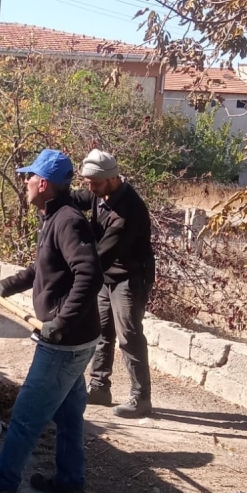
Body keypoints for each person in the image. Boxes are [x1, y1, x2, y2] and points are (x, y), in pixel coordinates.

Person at [0, 148, 102, 493]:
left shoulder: (67, 221)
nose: (24, 183)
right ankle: (70, 481)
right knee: (69, 415)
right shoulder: (53, 217)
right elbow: (43, 270)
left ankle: (2, 483)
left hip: (65, 342)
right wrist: (5, 286)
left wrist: (60, 323)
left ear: (44, 183)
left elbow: (89, 274)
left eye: (28, 177)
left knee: (26, 416)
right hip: (76, 338)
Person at [73, 149, 155, 418]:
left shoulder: (127, 211)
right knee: (101, 332)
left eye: (94, 182)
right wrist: (52, 195)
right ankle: (99, 388)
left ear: (110, 179)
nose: (90, 187)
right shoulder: (101, 194)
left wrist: (72, 270)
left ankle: (141, 398)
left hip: (130, 278)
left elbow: (102, 255)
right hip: (108, 276)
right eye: (87, 182)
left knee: (128, 335)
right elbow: (76, 198)